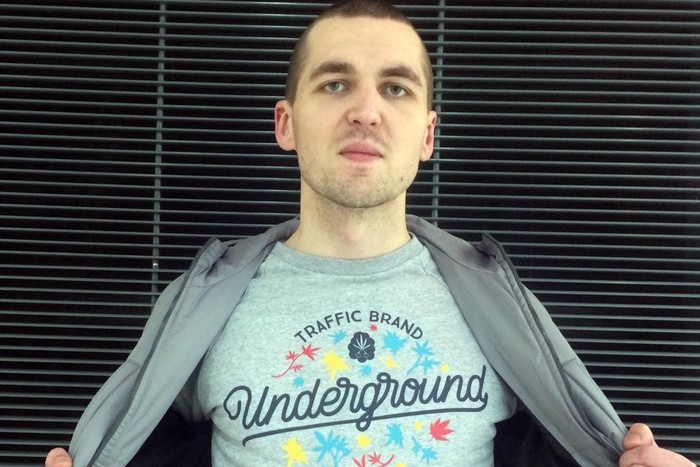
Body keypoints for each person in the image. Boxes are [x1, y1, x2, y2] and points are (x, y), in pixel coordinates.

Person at [45, 1, 695, 466]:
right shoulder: (202, 306)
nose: (365, 111)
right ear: (286, 123)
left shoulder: (499, 307)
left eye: (396, 89)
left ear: (428, 135)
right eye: (335, 84)